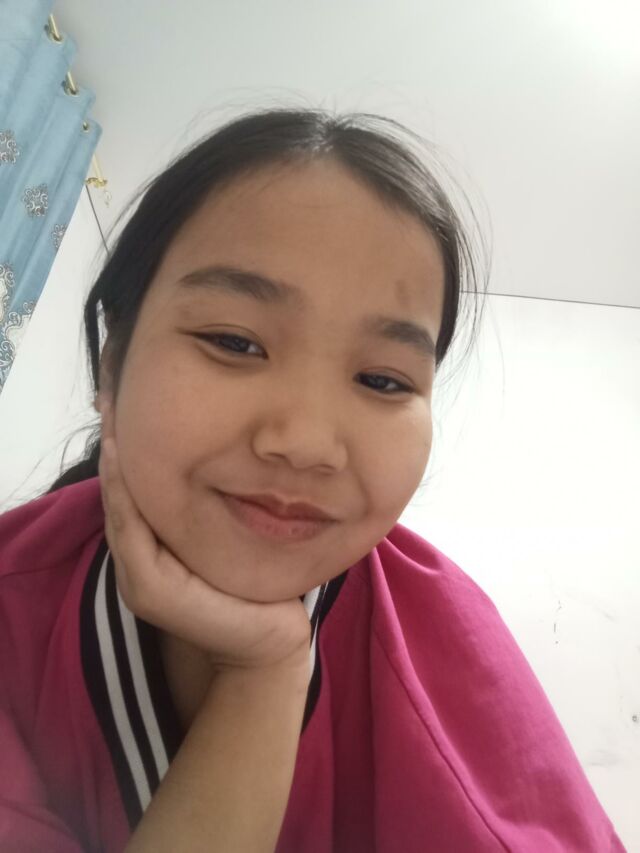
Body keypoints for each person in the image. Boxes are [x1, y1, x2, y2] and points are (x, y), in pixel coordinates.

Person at [0, 107, 626, 853]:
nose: (305, 445)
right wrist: (262, 672)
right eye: (234, 341)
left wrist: (267, 662)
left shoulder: (449, 646)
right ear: (112, 366)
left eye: (383, 380)